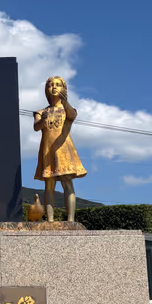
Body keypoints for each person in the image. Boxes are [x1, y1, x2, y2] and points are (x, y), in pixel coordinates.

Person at [33, 77, 87, 223]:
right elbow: (36, 127)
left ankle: (70, 220)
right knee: (49, 184)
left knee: (67, 182)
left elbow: (72, 116)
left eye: (58, 85)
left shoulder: (67, 109)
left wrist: (66, 102)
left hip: (63, 149)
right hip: (47, 150)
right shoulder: (40, 112)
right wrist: (43, 120)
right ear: (46, 89)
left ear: (64, 89)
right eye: (51, 85)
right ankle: (50, 220)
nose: (54, 87)